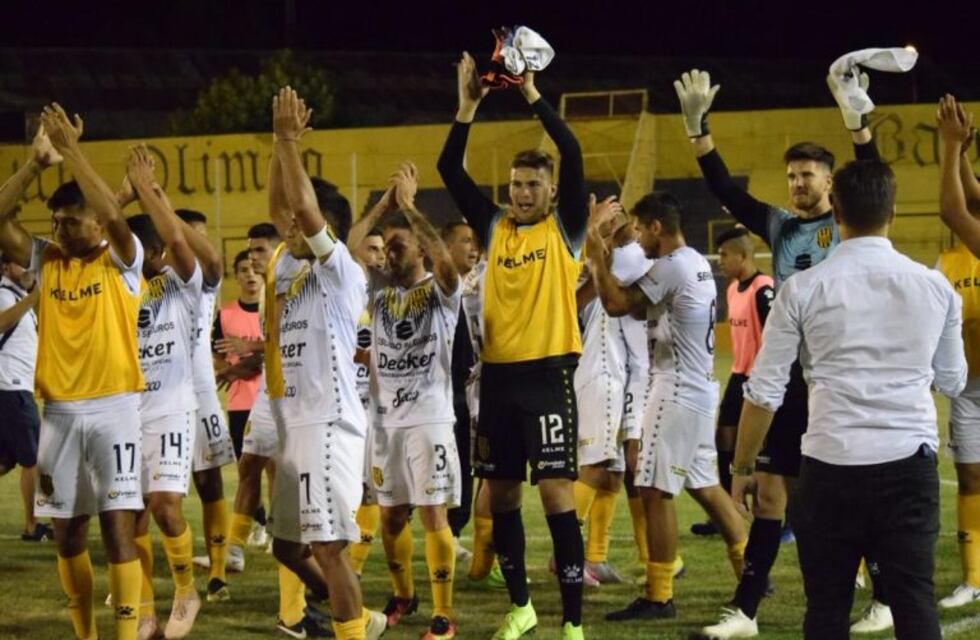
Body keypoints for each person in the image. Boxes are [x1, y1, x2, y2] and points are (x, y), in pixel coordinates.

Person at [674, 67, 893, 635]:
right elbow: (725, 191)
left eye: (809, 175)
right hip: (791, 379)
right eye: (792, 175)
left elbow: (871, 174)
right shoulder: (778, 225)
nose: (798, 184)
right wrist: (700, 131)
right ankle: (745, 611)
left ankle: (885, 598)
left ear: (830, 182)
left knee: (846, 496)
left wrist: (857, 122)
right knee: (769, 496)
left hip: (839, 378)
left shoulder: (850, 223)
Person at [730, 159, 966, 640]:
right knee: (915, 604)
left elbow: (764, 391)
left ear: (834, 211)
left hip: (830, 465)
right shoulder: (936, 287)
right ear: (893, 213)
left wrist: (741, 468)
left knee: (826, 608)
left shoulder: (800, 289)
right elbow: (952, 380)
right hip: (908, 465)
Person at [437, 51, 588, 640]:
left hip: (548, 378)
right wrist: (467, 107)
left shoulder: (566, 227)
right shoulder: (495, 225)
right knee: (500, 501)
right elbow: (450, 168)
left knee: (556, 499)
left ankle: (572, 623)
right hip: (497, 381)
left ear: (552, 190)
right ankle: (522, 607)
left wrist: (530, 92)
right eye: (516, 185)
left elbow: (571, 150)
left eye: (533, 185)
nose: (522, 193)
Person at [0, 109, 145, 640]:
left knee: (117, 529)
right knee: (66, 535)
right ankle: (86, 636)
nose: (58, 229)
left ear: (96, 223)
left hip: (115, 409)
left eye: (70, 221)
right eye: (54, 222)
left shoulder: (123, 260)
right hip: (58, 413)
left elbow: (116, 216)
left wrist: (74, 151)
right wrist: (37, 164)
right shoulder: (47, 260)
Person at [587, 192, 747, 622]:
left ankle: (659, 596)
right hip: (697, 389)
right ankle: (751, 575)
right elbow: (642, 314)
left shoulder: (672, 264)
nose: (637, 238)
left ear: (657, 227)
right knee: (706, 487)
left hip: (674, 389)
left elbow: (616, 304)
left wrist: (594, 251)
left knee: (653, 492)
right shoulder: (693, 262)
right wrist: (614, 243)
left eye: (640, 229)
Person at [267, 86, 385, 640]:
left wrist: (290, 141)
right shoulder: (284, 266)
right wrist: (276, 144)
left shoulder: (340, 272)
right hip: (297, 426)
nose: (285, 226)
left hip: (330, 426)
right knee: (289, 546)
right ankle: (360, 618)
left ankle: (352, 628)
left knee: (330, 548)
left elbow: (305, 210)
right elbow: (279, 206)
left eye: (297, 224)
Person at [360, 163, 463, 638]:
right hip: (385, 423)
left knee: (432, 512)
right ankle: (404, 595)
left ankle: (444, 615)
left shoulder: (440, 292)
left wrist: (410, 209)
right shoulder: (378, 295)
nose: (387, 255)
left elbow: (446, 262)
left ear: (419, 248)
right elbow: (347, 249)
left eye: (397, 246)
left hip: (429, 420)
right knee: (389, 514)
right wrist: (383, 209)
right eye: (385, 247)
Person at [125, 146, 204, 639]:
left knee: (165, 506)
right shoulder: (121, 288)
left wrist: (152, 193)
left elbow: (177, 238)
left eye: (137, 250)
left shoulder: (181, 285)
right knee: (129, 514)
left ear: (153, 252)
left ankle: (185, 589)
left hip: (172, 410)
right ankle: (147, 608)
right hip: (127, 411)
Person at [174, 208, 237, 605]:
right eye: (191, 236)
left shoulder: (206, 284)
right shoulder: (158, 279)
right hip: (159, 398)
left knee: (210, 483)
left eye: (203, 235)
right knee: (158, 496)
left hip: (201, 396)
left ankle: (216, 573)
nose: (202, 244)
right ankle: (164, 577)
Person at [935, 94, 980, 608]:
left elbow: (953, 207)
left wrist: (948, 148)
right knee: (970, 474)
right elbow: (970, 196)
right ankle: (972, 577)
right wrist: (963, 152)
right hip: (969, 382)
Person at [0, 252, 49, 542]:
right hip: (11, 386)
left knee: (6, 459)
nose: (28, 268)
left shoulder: (16, 295)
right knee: (34, 458)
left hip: (14, 387)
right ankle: (32, 526)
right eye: (21, 262)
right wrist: (33, 297)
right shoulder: (5, 293)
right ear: (6, 267)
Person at [212, 250, 263, 460]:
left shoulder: (274, 310)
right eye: (244, 270)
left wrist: (250, 351)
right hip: (239, 403)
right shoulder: (225, 315)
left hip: (270, 400)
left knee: (275, 470)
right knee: (246, 471)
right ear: (236, 276)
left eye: (253, 270)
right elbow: (217, 358)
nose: (250, 275)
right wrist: (232, 370)